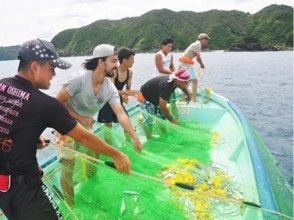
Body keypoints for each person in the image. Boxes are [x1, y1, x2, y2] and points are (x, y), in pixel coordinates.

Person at [0, 39, 130, 220]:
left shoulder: (2, 85)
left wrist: (26, 138)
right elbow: (84, 138)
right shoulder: (45, 104)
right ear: (35, 67)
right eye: (52, 68)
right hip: (23, 186)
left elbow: (10, 120)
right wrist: (117, 155)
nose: (54, 74)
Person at [55, 44, 143, 206]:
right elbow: (56, 104)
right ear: (100, 62)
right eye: (113, 61)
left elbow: (120, 113)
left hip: (85, 128)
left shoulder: (109, 88)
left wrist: (135, 136)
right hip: (65, 127)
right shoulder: (79, 79)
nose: (116, 65)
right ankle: (70, 205)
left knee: (93, 159)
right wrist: (80, 117)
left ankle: (91, 190)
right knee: (68, 168)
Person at [97, 47, 141, 144]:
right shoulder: (114, 71)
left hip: (117, 101)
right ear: (124, 60)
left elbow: (128, 88)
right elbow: (111, 91)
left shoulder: (130, 73)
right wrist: (128, 93)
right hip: (106, 101)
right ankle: (109, 148)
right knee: (108, 126)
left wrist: (126, 96)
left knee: (127, 124)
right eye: (132, 59)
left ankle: (130, 145)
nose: (133, 62)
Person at [139, 69, 191, 139]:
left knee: (161, 117)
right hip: (146, 97)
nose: (187, 84)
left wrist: (188, 93)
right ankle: (149, 138)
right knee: (148, 120)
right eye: (185, 82)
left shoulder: (175, 81)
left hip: (157, 96)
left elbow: (182, 86)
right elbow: (162, 106)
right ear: (177, 80)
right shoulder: (166, 86)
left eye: (187, 82)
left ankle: (164, 134)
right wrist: (172, 120)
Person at [178, 33, 210, 101]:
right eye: (205, 39)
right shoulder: (198, 44)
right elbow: (198, 58)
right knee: (194, 81)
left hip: (183, 63)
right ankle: (193, 98)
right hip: (184, 64)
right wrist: (202, 65)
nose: (206, 41)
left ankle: (183, 98)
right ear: (201, 39)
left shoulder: (197, 44)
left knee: (188, 81)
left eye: (207, 40)